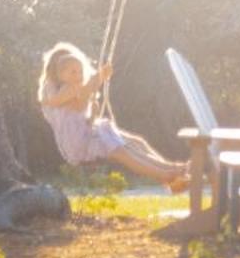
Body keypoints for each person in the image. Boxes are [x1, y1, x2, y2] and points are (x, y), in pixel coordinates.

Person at [38, 42, 189, 189]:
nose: (78, 75)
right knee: (122, 152)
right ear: (58, 73)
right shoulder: (60, 90)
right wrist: (99, 77)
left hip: (87, 132)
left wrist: (93, 113)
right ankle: (166, 175)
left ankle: (169, 169)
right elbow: (76, 100)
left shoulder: (73, 89)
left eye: (79, 71)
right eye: (72, 71)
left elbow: (81, 110)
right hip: (78, 143)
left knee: (137, 142)